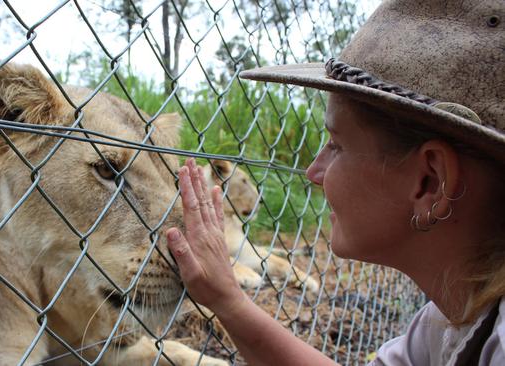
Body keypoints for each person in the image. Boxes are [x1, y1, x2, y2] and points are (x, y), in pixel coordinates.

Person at [165, 1, 505, 365]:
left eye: (336, 145)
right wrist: (226, 300)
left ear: (430, 181)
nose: (313, 172)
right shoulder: (452, 317)